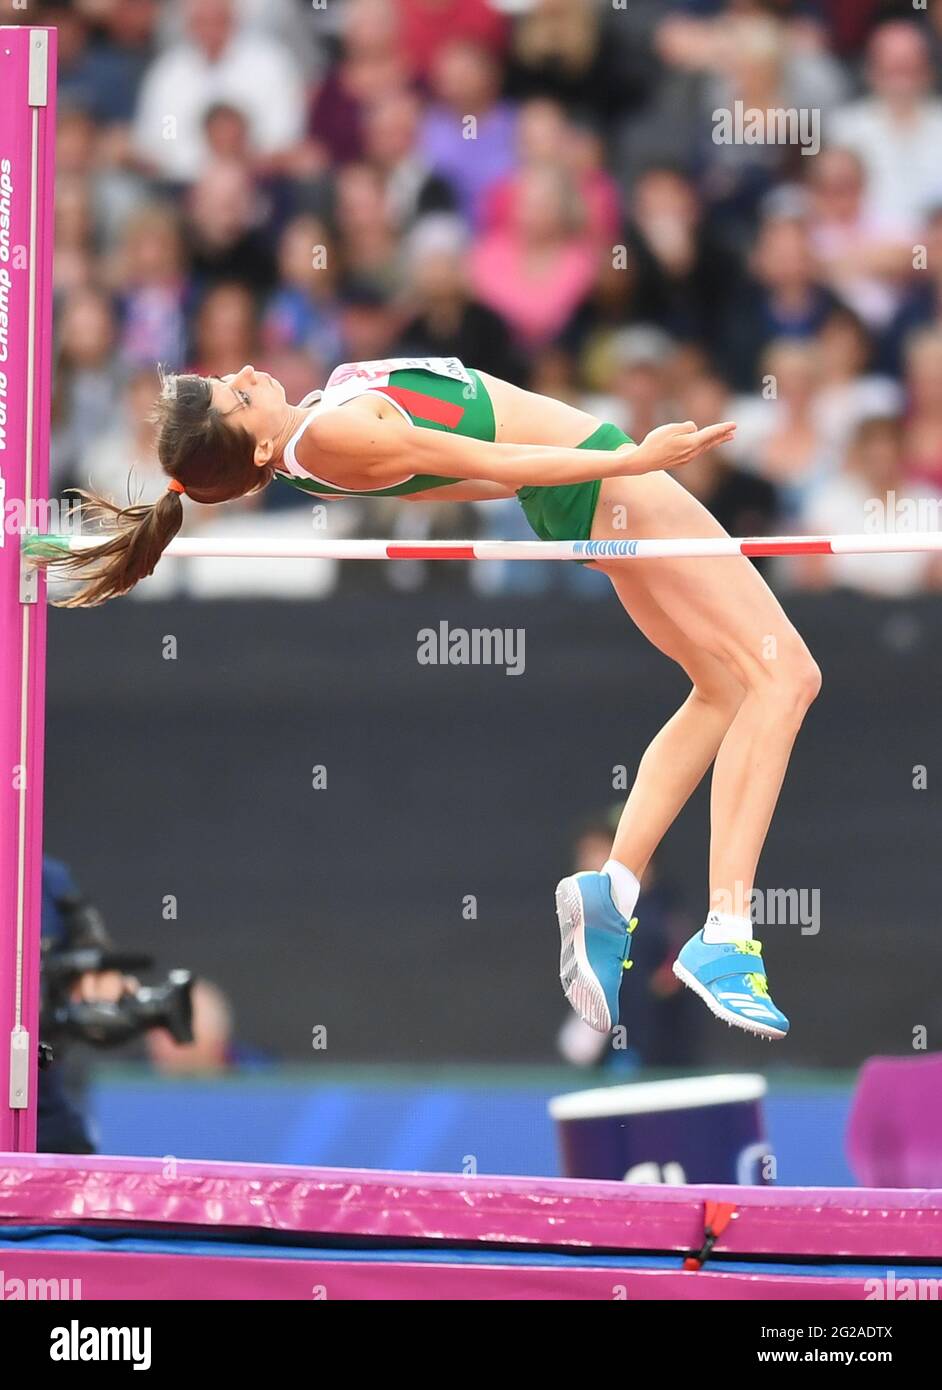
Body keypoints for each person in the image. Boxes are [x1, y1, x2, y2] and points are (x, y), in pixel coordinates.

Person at [39, 357, 822, 1042]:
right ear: (261, 446)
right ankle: (727, 932)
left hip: (586, 485)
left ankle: (611, 889)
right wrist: (629, 460)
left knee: (722, 687)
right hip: (599, 477)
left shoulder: (316, 433)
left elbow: (475, 474)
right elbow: (481, 454)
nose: (244, 377)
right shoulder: (333, 440)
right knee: (785, 674)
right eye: (236, 398)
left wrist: (600, 471)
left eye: (227, 380)